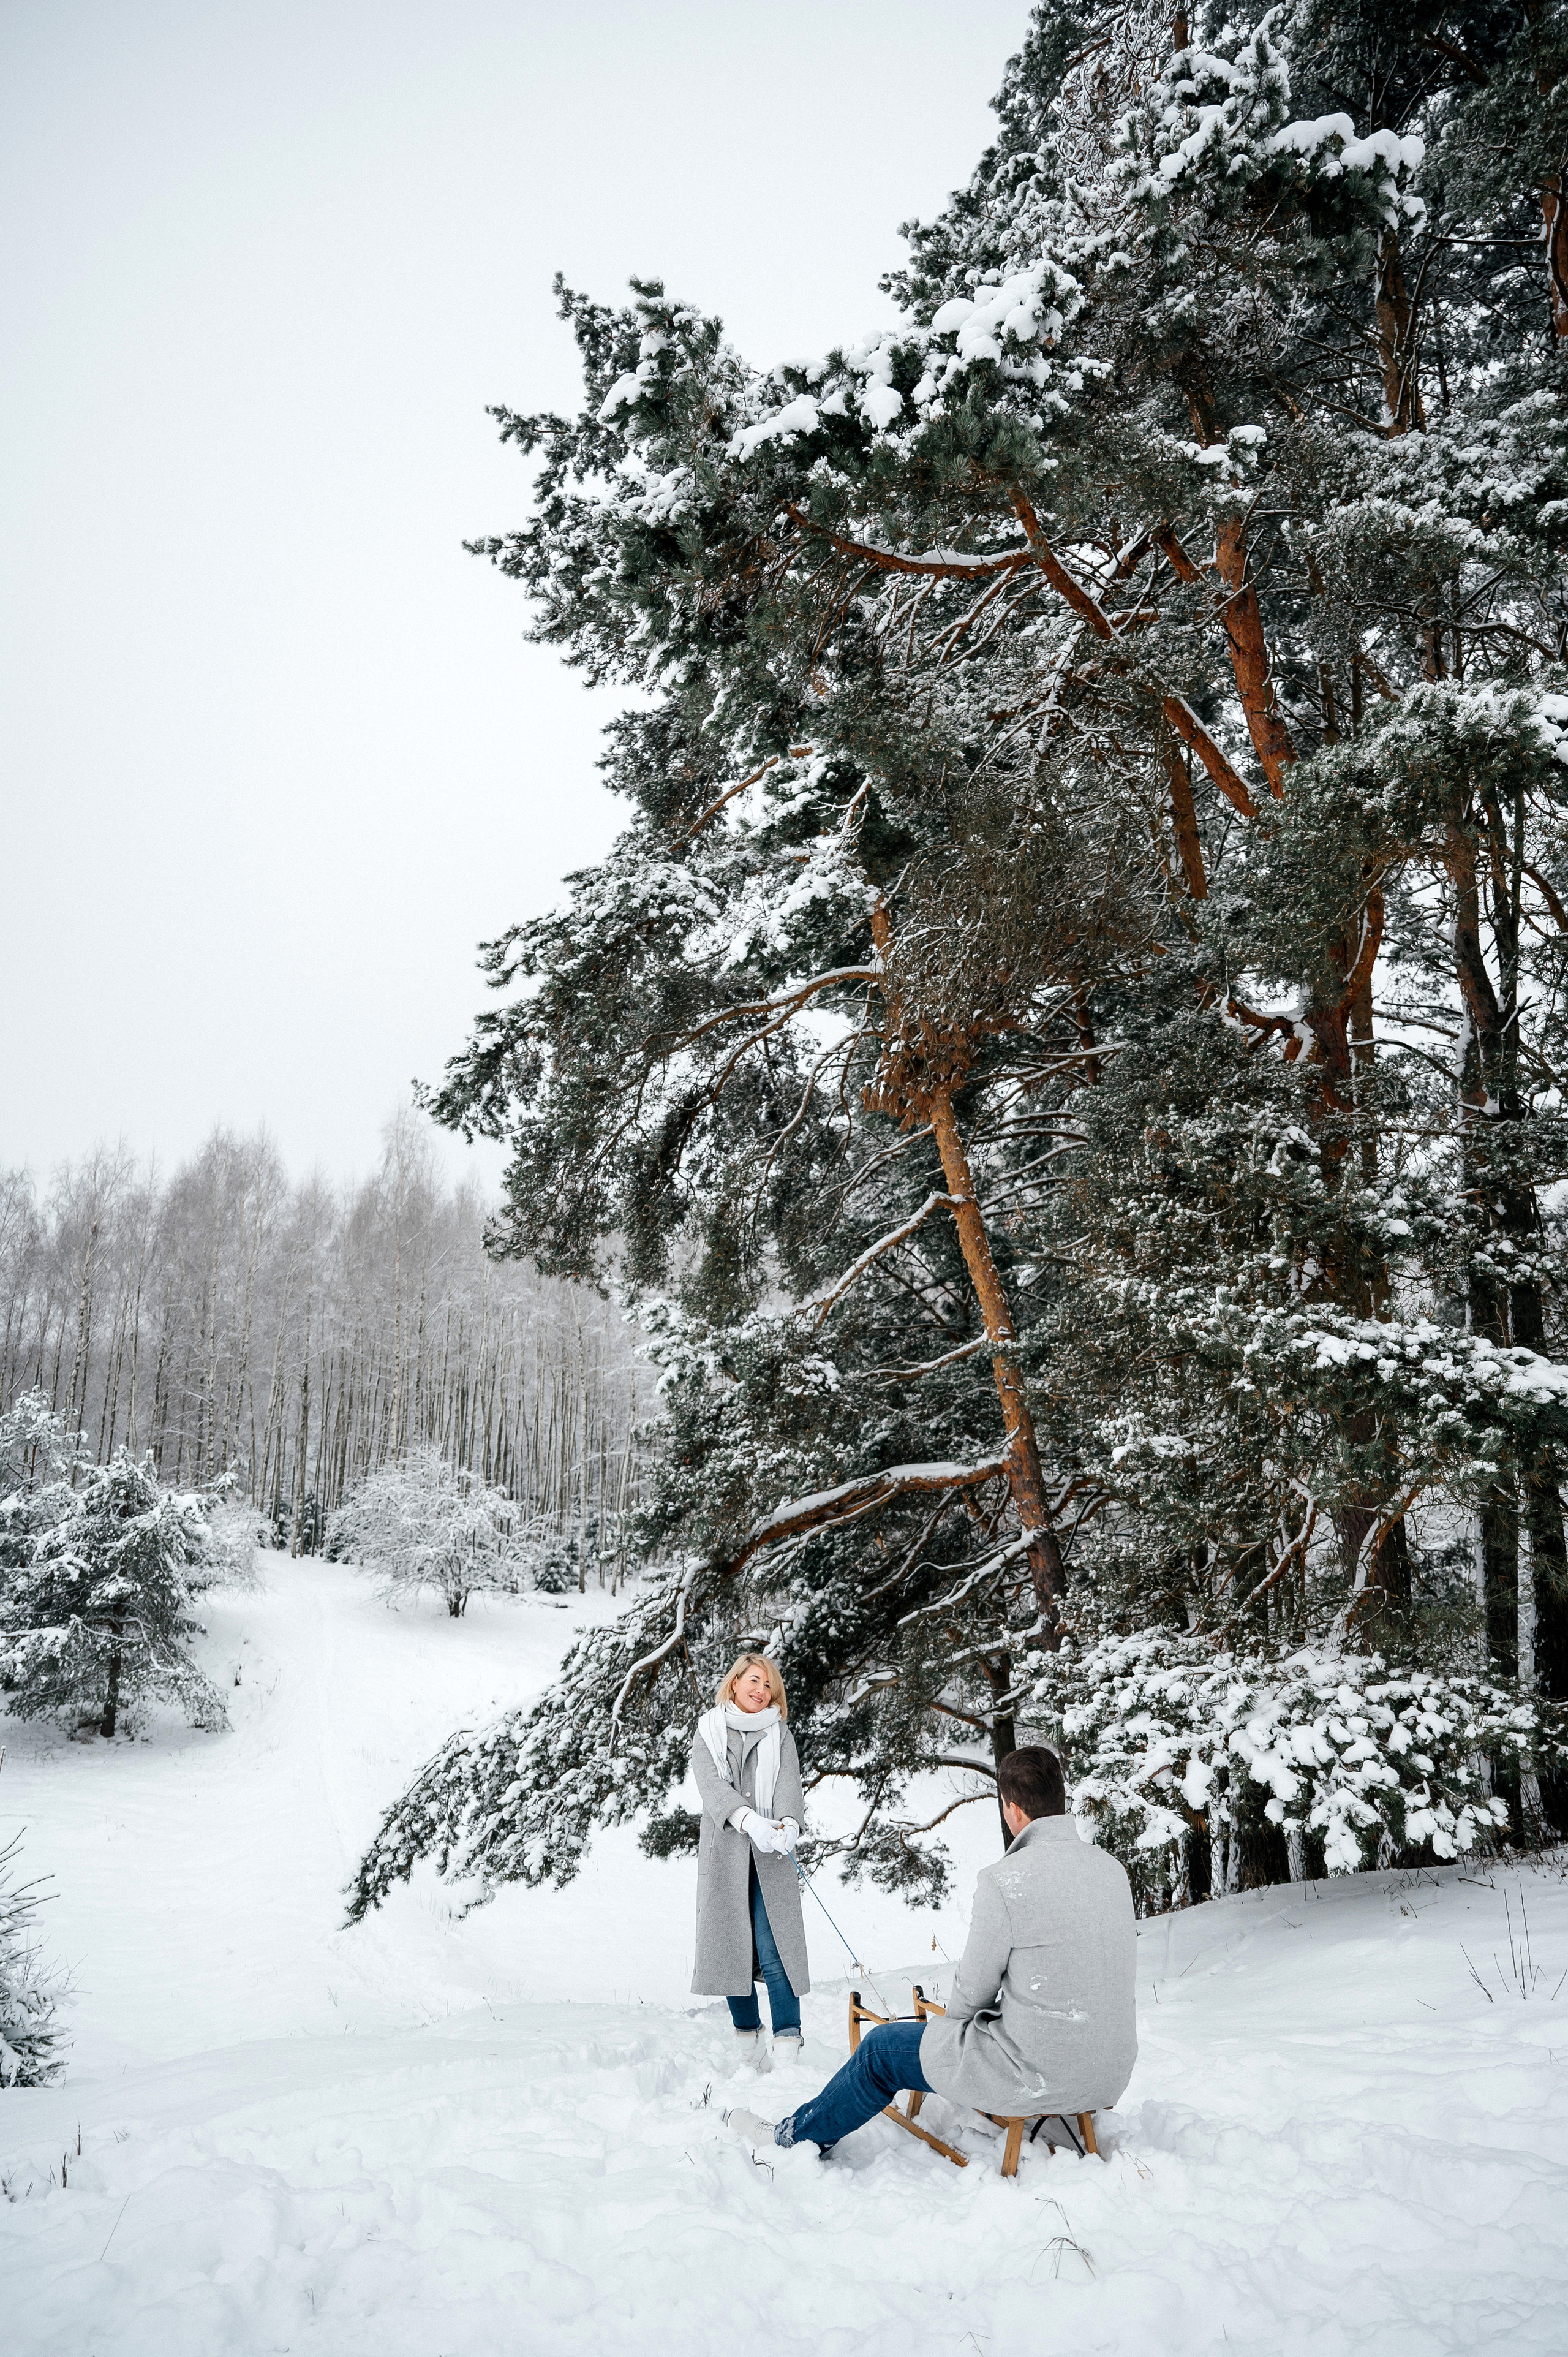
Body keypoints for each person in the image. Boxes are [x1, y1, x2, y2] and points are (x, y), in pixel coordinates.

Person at [727, 1743, 1136, 2154]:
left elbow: (972, 1993)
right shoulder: (1112, 1871)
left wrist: (947, 2036)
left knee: (879, 2050)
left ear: (1012, 1809)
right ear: (1060, 1798)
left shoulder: (1005, 1880)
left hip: (1033, 2074)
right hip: (1109, 2072)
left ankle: (789, 2137)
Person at [690, 1652, 810, 2064]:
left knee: (777, 1950)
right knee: (730, 1950)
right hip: (726, 1854)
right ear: (736, 1682)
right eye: (755, 1681)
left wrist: (789, 1823)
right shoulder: (708, 1731)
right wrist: (748, 1820)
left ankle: (788, 2046)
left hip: (771, 1857)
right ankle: (748, 2039)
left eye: (769, 1685)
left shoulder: (780, 1735)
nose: (761, 1690)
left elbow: (788, 1783)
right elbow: (711, 1786)